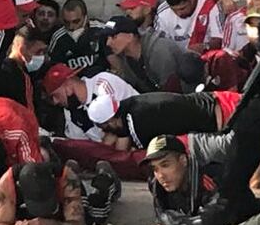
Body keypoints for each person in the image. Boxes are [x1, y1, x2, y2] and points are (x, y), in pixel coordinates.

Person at [0, 159, 120, 225]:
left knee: (96, 214)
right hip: (30, 207)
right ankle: (72, 165)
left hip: (65, 194)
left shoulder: (66, 179)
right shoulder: (8, 182)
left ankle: (106, 175)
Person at [87, 90, 240, 151]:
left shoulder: (137, 122)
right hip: (223, 99)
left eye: (103, 126)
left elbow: (140, 155)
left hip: (227, 119)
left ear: (110, 121)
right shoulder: (132, 103)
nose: (103, 131)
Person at [102, 15, 203, 93]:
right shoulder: (126, 59)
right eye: (107, 38)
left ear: (130, 36)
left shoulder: (160, 50)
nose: (108, 43)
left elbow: (172, 92)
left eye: (113, 37)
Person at [42, 63, 138, 143]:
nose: (55, 102)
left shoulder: (103, 84)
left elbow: (120, 131)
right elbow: (79, 144)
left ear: (68, 85)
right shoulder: (70, 112)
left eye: (55, 95)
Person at [0, 26, 47, 110]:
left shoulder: (21, 72)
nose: (42, 56)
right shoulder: (13, 75)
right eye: (38, 52)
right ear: (22, 49)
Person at [155, 0, 223, 53]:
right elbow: (158, 43)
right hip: (175, 57)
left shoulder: (209, 4)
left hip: (205, 56)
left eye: (182, 8)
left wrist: (205, 46)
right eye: (173, 10)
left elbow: (219, 39)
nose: (178, 13)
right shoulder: (162, 12)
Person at [48, 0, 109, 76]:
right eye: (66, 22)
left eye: (76, 21)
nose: (71, 27)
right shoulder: (58, 37)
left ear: (85, 17)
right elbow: (53, 66)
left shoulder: (100, 30)